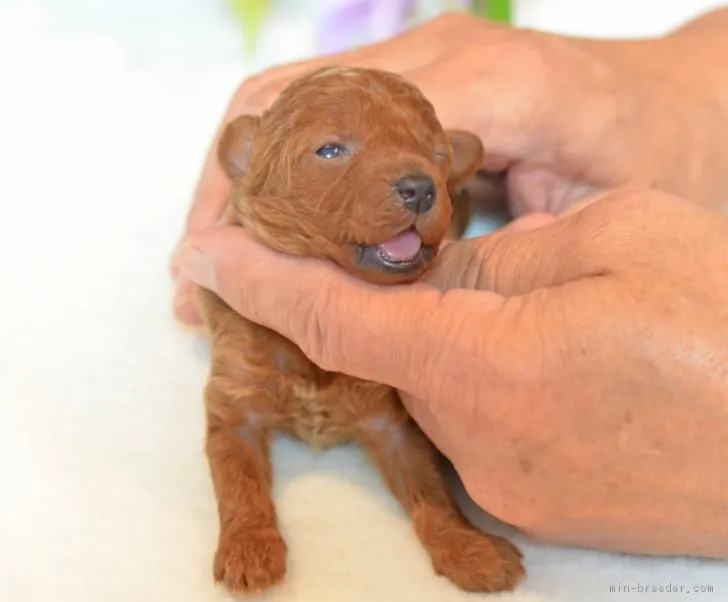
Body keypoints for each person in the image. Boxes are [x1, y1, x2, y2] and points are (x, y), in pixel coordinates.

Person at [172, 9, 728, 559]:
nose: (417, 183)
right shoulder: (241, 309)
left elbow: (398, 433)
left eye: (434, 160)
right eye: (332, 150)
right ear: (246, 158)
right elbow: (233, 422)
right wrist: (677, 81)